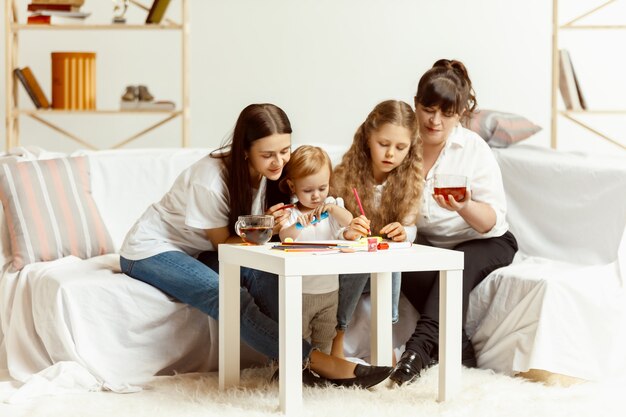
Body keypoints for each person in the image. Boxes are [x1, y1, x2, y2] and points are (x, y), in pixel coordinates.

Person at [119, 103, 391, 388]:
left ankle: (299, 366)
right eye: (268, 155)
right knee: (225, 295)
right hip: (152, 249)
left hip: (201, 252)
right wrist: (268, 227)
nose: (280, 162)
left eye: (284, 151)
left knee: (264, 276)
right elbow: (225, 245)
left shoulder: (270, 174)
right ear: (245, 151)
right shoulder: (209, 181)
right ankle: (318, 361)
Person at [389, 59, 519, 386]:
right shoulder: (400, 145)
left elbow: (491, 221)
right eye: (428, 109)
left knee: (458, 263)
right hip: (428, 243)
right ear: (415, 104)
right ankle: (459, 348)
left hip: (484, 241)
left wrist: (464, 206)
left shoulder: (472, 148)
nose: (435, 121)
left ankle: (417, 350)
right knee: (395, 251)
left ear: (460, 113)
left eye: (447, 113)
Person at [329, 100, 424, 359]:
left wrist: (404, 233)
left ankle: (386, 341)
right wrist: (348, 229)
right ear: (368, 137)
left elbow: (410, 226)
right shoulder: (342, 175)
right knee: (366, 260)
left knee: (387, 259)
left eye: (400, 147)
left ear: (410, 148)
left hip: (382, 268)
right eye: (384, 144)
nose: (390, 154)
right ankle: (338, 337)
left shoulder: (411, 183)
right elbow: (327, 222)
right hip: (346, 267)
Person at [279, 145, 353, 355]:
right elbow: (285, 237)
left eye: (322, 188)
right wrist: (299, 225)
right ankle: (298, 369)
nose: (316, 196)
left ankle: (323, 371)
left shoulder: (331, 209)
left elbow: (349, 221)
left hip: (329, 290)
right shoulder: (292, 214)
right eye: (308, 190)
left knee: (325, 335)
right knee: (296, 336)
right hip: (300, 291)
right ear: (293, 187)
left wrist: (332, 208)